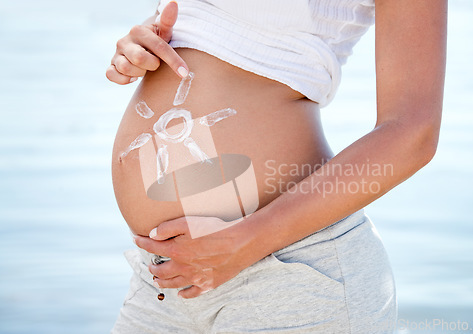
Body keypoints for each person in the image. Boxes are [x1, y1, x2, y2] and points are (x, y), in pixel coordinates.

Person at [107, 0, 447, 332]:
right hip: (163, 280)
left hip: (291, 272)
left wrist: (250, 240)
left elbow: (413, 133)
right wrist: (141, 44)